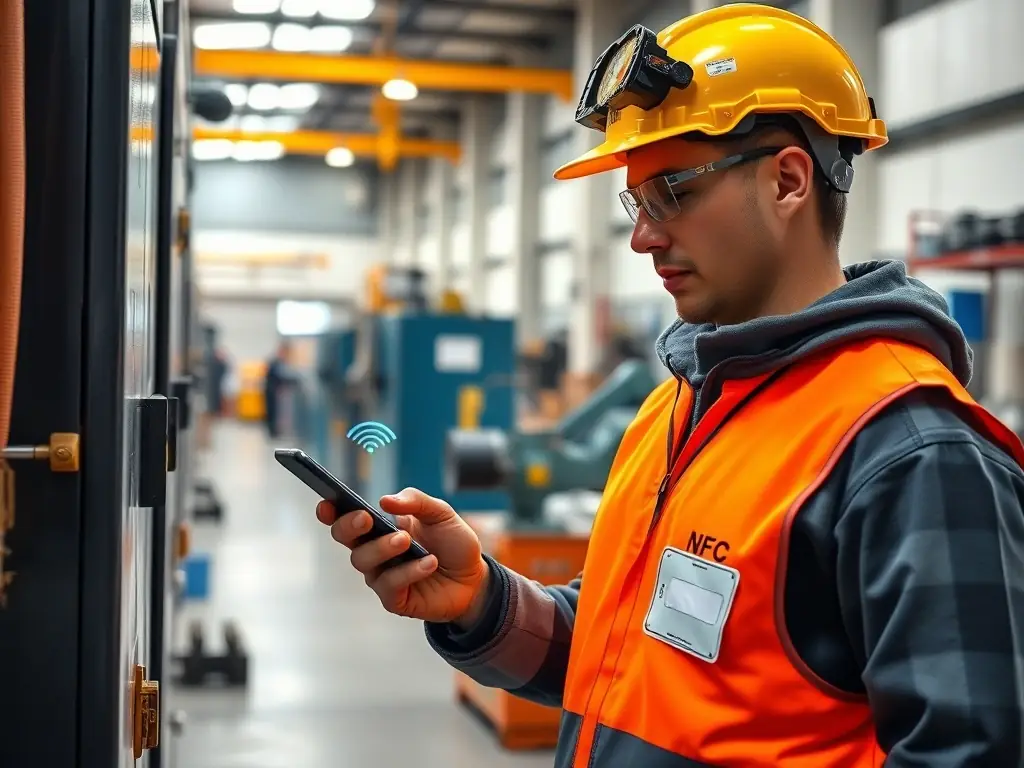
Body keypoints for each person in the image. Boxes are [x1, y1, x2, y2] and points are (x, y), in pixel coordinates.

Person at [316, 5, 1024, 766]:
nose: (642, 236)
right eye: (638, 203)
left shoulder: (911, 454)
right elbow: (627, 657)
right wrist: (481, 600)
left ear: (788, 180)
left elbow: (968, 752)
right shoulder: (678, 408)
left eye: (673, 194)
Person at [263, 339, 294, 438]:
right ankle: (271, 432)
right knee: (271, 411)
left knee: (274, 412)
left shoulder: (279, 362)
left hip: (273, 389)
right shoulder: (275, 362)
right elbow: (277, 376)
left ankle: (274, 431)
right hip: (271, 390)